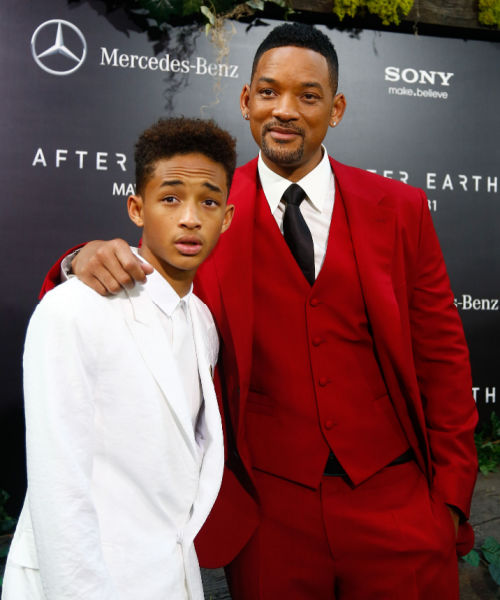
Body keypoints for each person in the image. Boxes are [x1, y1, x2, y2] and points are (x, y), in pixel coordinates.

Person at [39, 23, 478, 600]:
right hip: (270, 512)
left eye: (308, 95)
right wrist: (78, 260)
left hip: (394, 500)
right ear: (246, 102)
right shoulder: (210, 207)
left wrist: (447, 500)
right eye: (269, 92)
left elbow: (442, 357)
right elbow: (123, 278)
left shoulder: (398, 208)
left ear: (337, 108)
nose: (285, 110)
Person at [3, 117, 235, 600]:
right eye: (170, 198)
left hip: (172, 581)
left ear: (227, 217)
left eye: (208, 202)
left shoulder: (204, 323)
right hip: (84, 581)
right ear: (137, 208)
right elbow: (58, 485)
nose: (190, 217)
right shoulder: (73, 309)